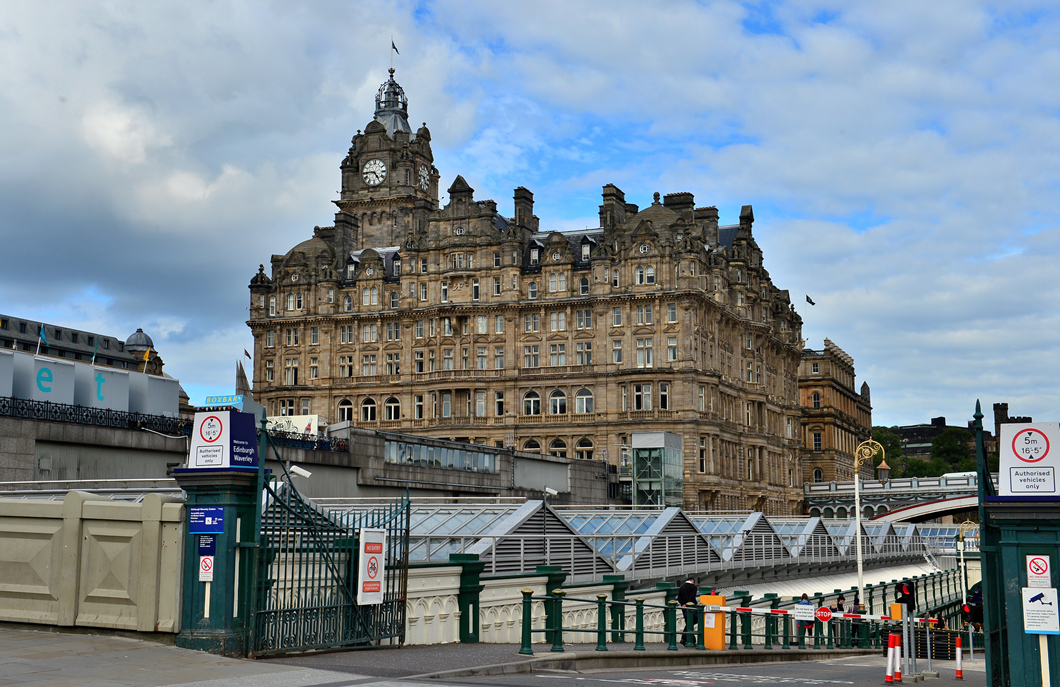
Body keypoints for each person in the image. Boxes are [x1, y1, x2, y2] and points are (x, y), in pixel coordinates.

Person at [677, 576, 699, 646]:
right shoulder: (693, 587)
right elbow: (692, 597)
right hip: (692, 607)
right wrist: (688, 604)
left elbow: (679, 598)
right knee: (694, 621)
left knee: (689, 622)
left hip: (684, 608)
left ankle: (689, 640)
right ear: (692, 580)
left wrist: (683, 604)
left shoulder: (681, 587)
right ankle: (686, 639)